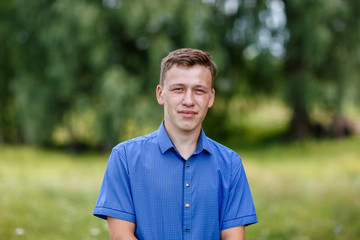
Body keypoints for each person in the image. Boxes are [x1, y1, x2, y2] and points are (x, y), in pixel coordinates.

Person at [93, 48, 257, 240]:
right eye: (178, 89)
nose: (189, 101)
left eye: (199, 91)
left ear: (211, 97)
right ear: (160, 94)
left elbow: (233, 237)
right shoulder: (124, 158)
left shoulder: (231, 164)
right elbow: (121, 237)